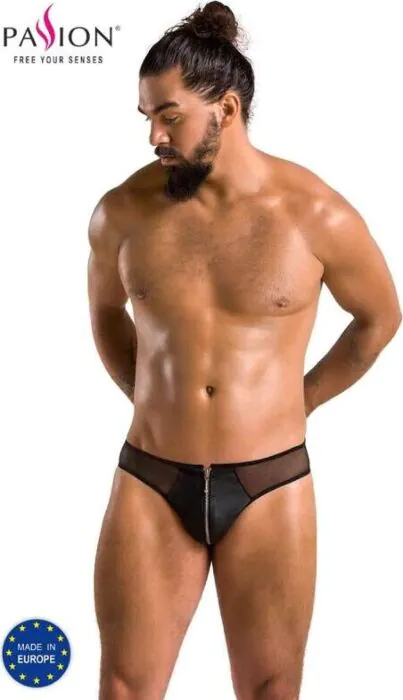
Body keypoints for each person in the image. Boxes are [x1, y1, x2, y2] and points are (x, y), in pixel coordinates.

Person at [87, 2, 401, 698]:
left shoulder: (315, 213)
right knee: (123, 686)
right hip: (150, 478)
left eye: (169, 116)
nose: (153, 136)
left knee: (269, 689)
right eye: (146, 116)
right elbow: (105, 314)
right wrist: (150, 399)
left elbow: (378, 319)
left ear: (225, 109)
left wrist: (301, 400)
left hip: (269, 482)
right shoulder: (122, 212)